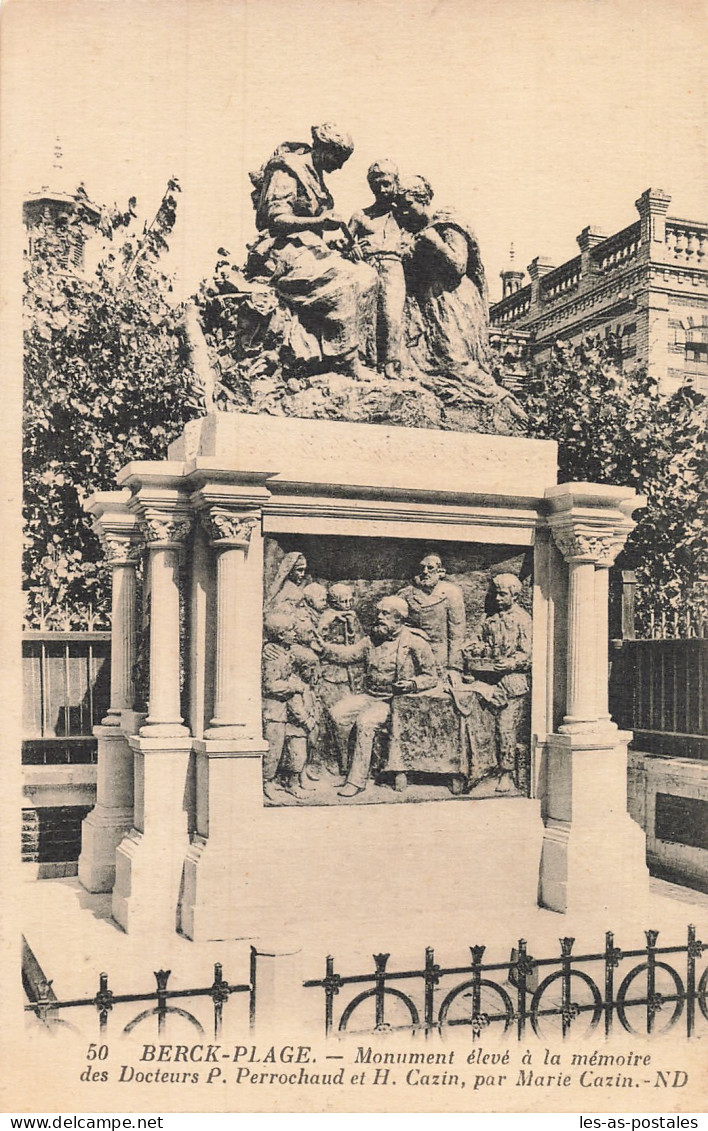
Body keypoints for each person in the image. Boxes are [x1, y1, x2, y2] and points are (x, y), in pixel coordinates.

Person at [247, 123, 377, 378]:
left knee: (367, 275)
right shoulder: (287, 169)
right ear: (322, 148)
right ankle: (345, 361)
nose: (339, 167)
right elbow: (276, 220)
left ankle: (348, 353)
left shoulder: (316, 176)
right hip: (282, 250)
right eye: (337, 159)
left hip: (309, 248)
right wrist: (320, 222)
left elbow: (315, 234)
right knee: (343, 279)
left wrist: (334, 243)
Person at [396, 175, 525, 417]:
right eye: (399, 208)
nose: (403, 213)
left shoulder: (446, 222)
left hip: (455, 300)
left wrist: (434, 243)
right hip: (431, 306)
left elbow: (458, 265)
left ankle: (507, 405)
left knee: (457, 360)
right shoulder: (409, 235)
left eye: (408, 205)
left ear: (423, 200)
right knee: (434, 364)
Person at [321, 596, 439, 797]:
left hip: (393, 701)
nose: (379, 617)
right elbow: (348, 654)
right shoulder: (373, 639)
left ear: (399, 618)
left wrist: (412, 684)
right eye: (379, 612)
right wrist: (322, 648)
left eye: (384, 613)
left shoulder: (415, 642)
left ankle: (356, 781)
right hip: (369, 696)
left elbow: (432, 677)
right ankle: (344, 766)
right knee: (337, 713)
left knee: (365, 723)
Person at [462, 574, 532, 793]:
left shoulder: (523, 619)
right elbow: (477, 639)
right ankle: (480, 771)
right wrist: (473, 647)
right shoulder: (489, 618)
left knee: (505, 730)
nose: (498, 598)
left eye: (503, 594)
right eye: (496, 594)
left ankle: (506, 773)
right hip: (487, 681)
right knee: (480, 726)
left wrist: (511, 663)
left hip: (512, 684)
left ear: (515, 595)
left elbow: (529, 653)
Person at [349, 160, 407, 377]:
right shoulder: (360, 216)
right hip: (367, 269)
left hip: (393, 268)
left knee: (391, 315)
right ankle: (367, 362)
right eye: (376, 186)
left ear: (395, 183)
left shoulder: (403, 215)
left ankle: (392, 363)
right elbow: (344, 243)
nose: (382, 190)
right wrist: (351, 248)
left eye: (386, 184)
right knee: (367, 316)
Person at [261, 611, 318, 801]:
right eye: (290, 630)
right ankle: (267, 783)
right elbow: (270, 685)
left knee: (294, 749)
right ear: (280, 635)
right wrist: (293, 686)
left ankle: (289, 781)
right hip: (274, 710)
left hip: (289, 708)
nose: (295, 633)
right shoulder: (272, 654)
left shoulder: (286, 650)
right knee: (273, 750)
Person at [397, 552, 466, 676]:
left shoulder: (451, 593)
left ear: (440, 571)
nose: (425, 572)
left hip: (439, 658)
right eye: (421, 568)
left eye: (430, 568)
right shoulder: (405, 594)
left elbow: (457, 633)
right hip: (413, 656)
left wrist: (454, 668)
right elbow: (395, 625)